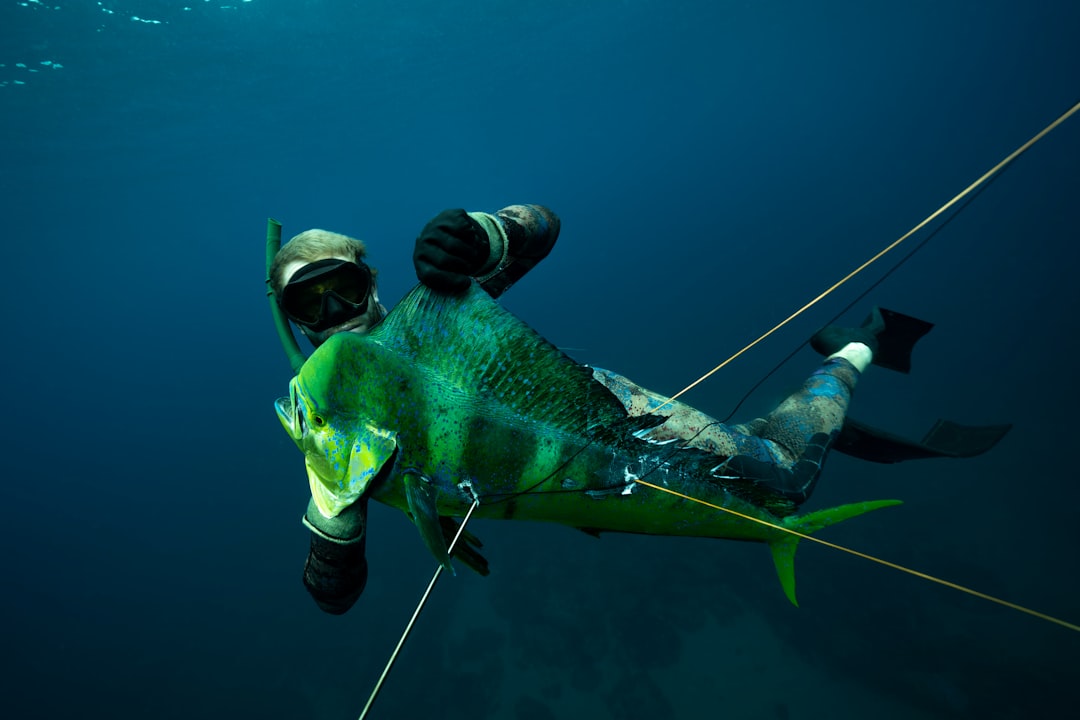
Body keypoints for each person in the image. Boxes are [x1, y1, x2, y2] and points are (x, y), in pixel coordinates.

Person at [269, 205, 1007, 615]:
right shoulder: (330, 426)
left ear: (370, 279)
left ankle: (850, 350)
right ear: (296, 320)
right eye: (311, 303)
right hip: (569, 485)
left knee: (780, 481)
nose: (333, 312)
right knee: (750, 471)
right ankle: (788, 429)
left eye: (342, 286)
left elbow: (546, 224)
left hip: (603, 427)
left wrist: (482, 235)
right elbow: (333, 596)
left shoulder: (436, 303)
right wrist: (333, 512)